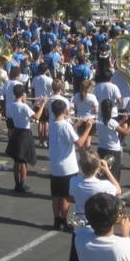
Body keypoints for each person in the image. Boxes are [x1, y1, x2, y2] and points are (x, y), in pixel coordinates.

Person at [66, 149, 121, 261]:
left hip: (79, 231)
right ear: (98, 166)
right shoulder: (104, 186)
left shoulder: (74, 181)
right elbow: (118, 189)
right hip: (99, 231)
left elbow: (71, 197)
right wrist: (107, 171)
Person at [49, 98, 93, 229]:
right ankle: (63, 220)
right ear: (64, 110)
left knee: (56, 196)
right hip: (67, 167)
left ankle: (56, 221)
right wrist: (88, 128)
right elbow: (79, 144)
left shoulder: (52, 123)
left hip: (55, 166)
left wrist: (76, 126)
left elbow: (65, 135)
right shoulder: (66, 125)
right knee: (66, 197)